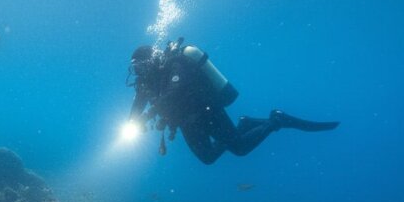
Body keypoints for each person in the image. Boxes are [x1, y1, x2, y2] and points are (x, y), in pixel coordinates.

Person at [126, 39, 339, 164]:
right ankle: (244, 124)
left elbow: (175, 92)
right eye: (135, 69)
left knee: (239, 147)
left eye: (140, 67)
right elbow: (138, 104)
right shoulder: (146, 82)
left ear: (152, 61)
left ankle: (276, 120)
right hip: (186, 122)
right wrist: (131, 123)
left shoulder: (176, 64)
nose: (138, 72)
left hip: (207, 110)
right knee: (207, 158)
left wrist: (148, 115)